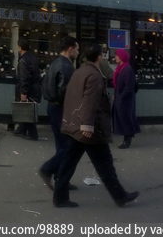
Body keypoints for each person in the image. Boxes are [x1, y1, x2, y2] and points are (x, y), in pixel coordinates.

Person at [52, 44, 138, 208]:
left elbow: (71, 97)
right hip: (91, 129)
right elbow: (90, 102)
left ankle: (60, 197)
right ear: (99, 57)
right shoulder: (94, 75)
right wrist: (87, 125)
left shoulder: (79, 71)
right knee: (105, 165)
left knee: (68, 163)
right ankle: (119, 196)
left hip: (76, 126)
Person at [39, 36, 79, 190]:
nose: (78, 52)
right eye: (77, 49)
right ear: (70, 49)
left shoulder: (55, 62)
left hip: (52, 107)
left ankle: (61, 178)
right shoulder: (67, 67)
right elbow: (67, 92)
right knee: (69, 147)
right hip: (62, 109)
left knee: (61, 144)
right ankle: (48, 169)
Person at [111, 49, 140, 149]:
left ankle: (127, 140)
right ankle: (127, 137)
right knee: (123, 119)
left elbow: (129, 86)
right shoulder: (120, 68)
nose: (115, 58)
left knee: (126, 119)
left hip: (126, 100)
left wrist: (121, 97)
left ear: (122, 57)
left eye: (117, 56)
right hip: (121, 98)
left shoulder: (127, 69)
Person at [14, 39, 41, 140]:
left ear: (20, 48)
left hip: (28, 89)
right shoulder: (33, 57)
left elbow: (24, 77)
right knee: (27, 109)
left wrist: (23, 92)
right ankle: (21, 129)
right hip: (34, 88)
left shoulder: (23, 60)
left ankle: (33, 135)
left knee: (27, 111)